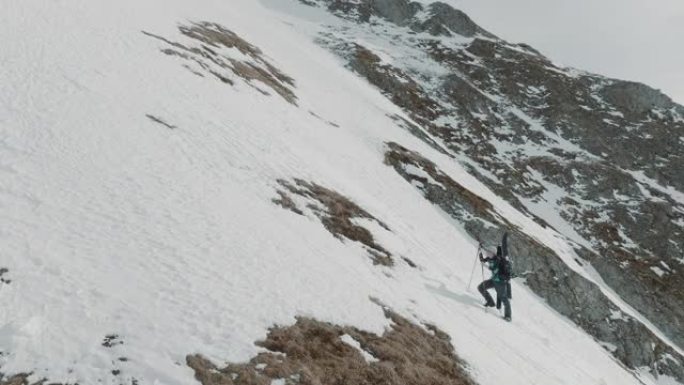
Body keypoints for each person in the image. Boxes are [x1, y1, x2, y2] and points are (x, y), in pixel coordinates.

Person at [477, 245, 512, 321]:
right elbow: (484, 260)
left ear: (494, 254)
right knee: (481, 287)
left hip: (500, 283)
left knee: (504, 299)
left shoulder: (498, 261)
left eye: (489, 253)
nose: (488, 255)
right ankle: (490, 302)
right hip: (493, 280)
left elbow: (494, 269)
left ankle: (508, 316)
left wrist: (485, 265)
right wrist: (480, 252)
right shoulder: (490, 258)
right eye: (487, 253)